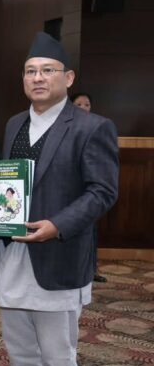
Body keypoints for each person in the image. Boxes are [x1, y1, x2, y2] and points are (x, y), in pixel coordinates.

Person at [0, 32, 118, 366]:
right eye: (30, 71)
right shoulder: (15, 124)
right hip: (13, 254)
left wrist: (57, 226)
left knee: (57, 357)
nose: (38, 78)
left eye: (47, 71)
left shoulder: (92, 127)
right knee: (21, 354)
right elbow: (10, 183)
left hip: (58, 256)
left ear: (68, 78)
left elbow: (102, 192)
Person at [70, 94, 106, 281]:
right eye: (79, 104)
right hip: (70, 192)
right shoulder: (66, 128)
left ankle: (92, 269)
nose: (83, 107)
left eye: (87, 104)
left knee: (90, 231)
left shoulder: (97, 127)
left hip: (90, 191)